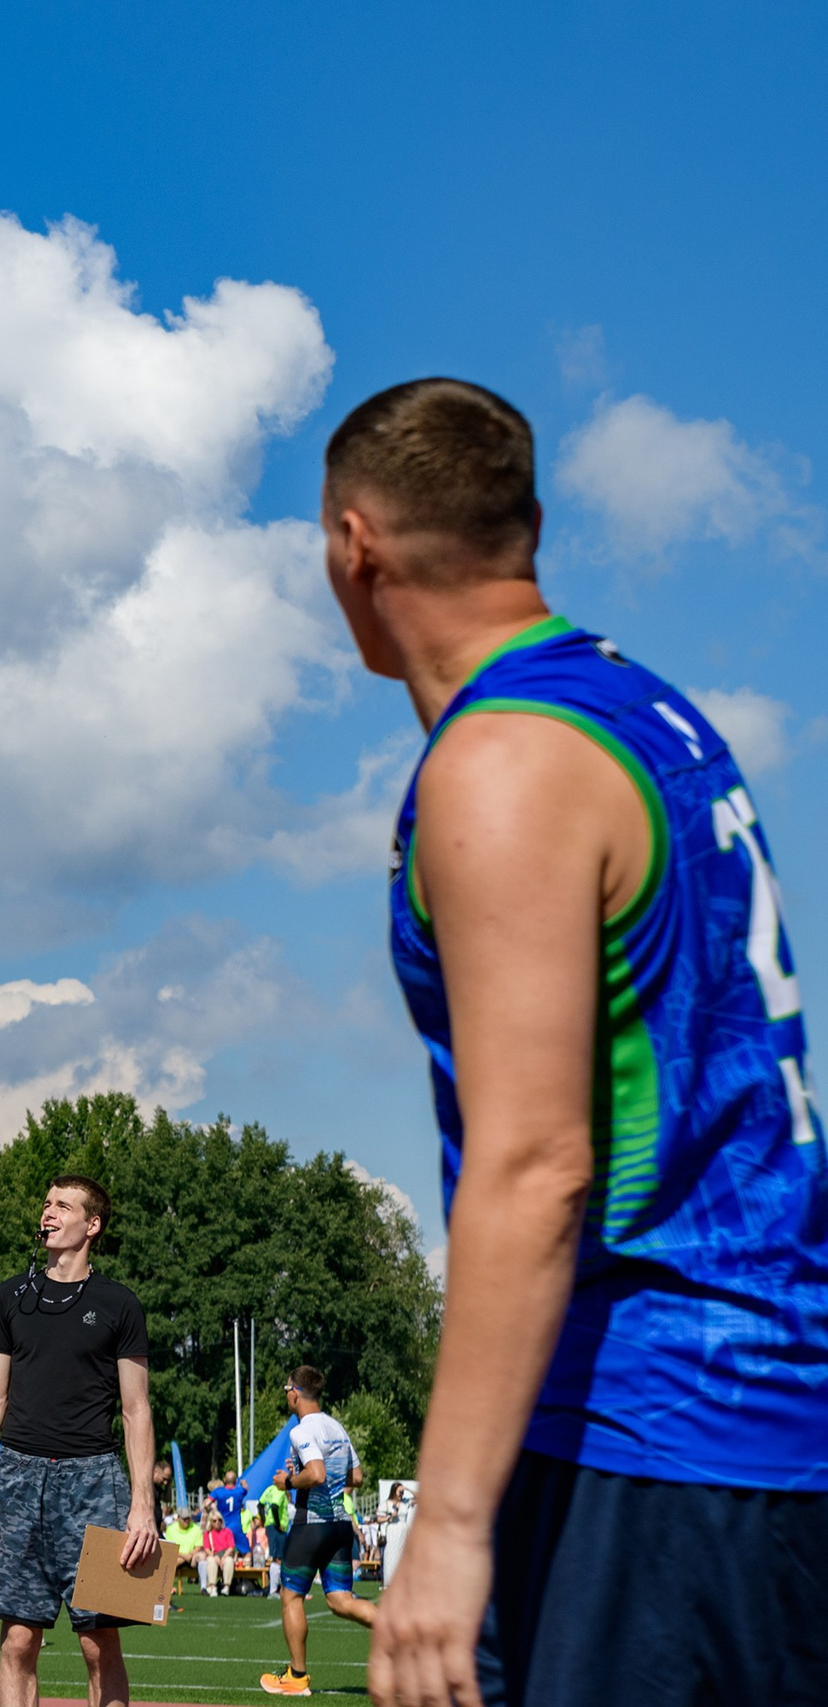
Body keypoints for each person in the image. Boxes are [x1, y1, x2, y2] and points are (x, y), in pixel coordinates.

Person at [321, 379, 828, 1707]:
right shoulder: (646, 712)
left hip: (659, 1427)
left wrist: (446, 1520)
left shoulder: (505, 763)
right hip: (726, 1429)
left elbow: (539, 1159)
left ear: (354, 544)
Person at [0, 1176, 156, 1707]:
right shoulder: (11, 1296)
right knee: (18, 1638)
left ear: (92, 1225)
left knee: (98, 1640)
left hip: (95, 1478)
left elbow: (136, 1410)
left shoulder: (120, 1304)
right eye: (46, 1203)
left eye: (63, 1205)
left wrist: (142, 1506)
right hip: (18, 1478)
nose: (49, 1212)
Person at [259, 1368, 377, 1695]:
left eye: (286, 1389)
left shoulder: (302, 1430)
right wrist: (308, 1475)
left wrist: (288, 1482)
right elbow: (356, 1477)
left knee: (290, 1596)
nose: (286, 1395)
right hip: (340, 1526)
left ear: (295, 1392)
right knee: (340, 1601)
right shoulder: (336, 1426)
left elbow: (318, 1474)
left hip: (312, 1525)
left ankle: (297, 1678)